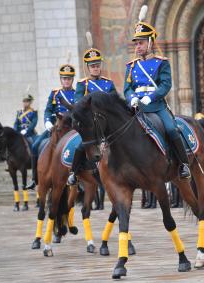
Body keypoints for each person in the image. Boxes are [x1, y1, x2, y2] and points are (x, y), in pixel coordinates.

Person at [123, 10, 190, 179]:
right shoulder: (131, 66)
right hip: (137, 107)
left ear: (150, 43)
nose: (137, 47)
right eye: (136, 43)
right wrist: (132, 98)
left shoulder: (161, 63)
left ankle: (183, 165)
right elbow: (127, 88)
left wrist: (150, 97)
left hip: (157, 106)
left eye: (141, 43)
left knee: (172, 129)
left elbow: (165, 85)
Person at [66, 32, 115, 210]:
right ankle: (73, 173)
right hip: (90, 125)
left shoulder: (108, 83)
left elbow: (115, 101)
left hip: (107, 125)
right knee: (80, 146)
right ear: (87, 67)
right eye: (92, 66)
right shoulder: (82, 85)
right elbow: (78, 104)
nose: (95, 68)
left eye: (97, 65)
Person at [26, 63, 76, 190]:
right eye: (64, 78)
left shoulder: (77, 94)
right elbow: (48, 110)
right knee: (35, 145)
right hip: (55, 127)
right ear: (61, 79)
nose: (66, 81)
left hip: (71, 129)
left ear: (72, 79)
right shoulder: (54, 94)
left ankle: (78, 177)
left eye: (69, 78)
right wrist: (47, 121)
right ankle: (34, 179)